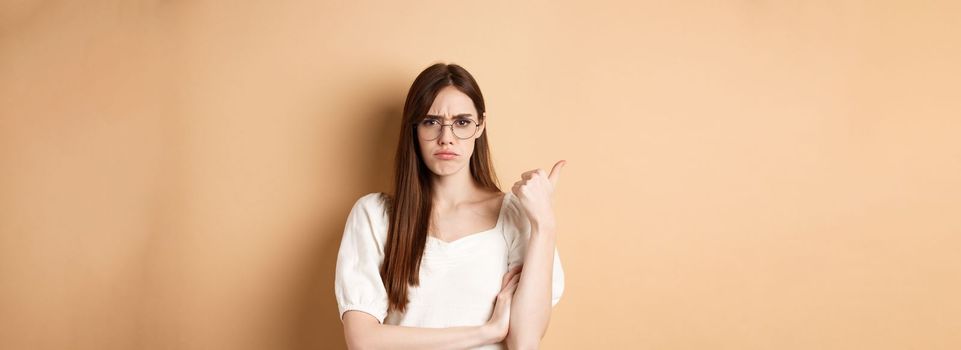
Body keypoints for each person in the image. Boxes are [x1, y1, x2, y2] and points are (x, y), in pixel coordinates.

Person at [334, 63, 565, 349]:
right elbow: (363, 341)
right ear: (414, 129)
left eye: (462, 122)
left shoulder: (514, 216)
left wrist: (544, 224)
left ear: (480, 125)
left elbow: (525, 342)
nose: (447, 138)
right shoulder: (374, 215)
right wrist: (487, 332)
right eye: (431, 122)